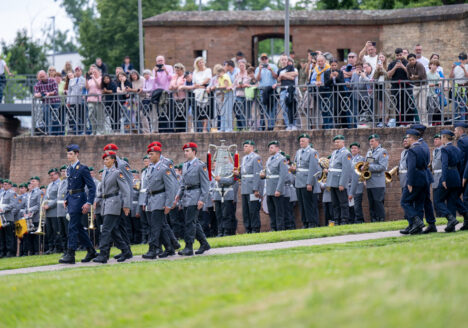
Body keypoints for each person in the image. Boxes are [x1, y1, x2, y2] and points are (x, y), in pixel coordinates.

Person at [59, 144, 97, 264]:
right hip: (71, 199)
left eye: (71, 154)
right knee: (78, 228)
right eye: (68, 154)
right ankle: (91, 251)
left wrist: (89, 202)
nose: (68, 156)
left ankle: (71, 254)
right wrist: (66, 198)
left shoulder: (82, 168)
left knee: (72, 227)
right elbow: (69, 186)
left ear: (77, 154)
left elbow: (92, 187)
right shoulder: (69, 168)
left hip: (79, 199)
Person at [92, 152, 132, 263]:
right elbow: (102, 190)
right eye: (104, 159)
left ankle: (103, 254)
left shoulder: (117, 173)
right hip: (106, 203)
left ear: (114, 160)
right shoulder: (105, 172)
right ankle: (125, 251)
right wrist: (97, 200)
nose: (105, 161)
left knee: (105, 229)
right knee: (113, 230)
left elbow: (126, 190)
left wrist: (126, 205)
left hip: (114, 203)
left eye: (108, 159)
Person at [140, 145, 178, 259]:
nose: (149, 156)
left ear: (158, 154)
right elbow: (148, 187)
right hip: (152, 200)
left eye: (151, 154)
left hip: (160, 200)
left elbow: (170, 188)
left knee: (155, 227)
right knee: (160, 226)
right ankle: (170, 248)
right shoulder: (150, 168)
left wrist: (168, 204)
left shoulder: (163, 168)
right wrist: (145, 201)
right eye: (149, 154)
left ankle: (153, 249)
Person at [174, 142, 211, 256]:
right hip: (186, 196)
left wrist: (202, 199)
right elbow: (183, 183)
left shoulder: (200, 165)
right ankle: (204, 243)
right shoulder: (185, 165)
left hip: (195, 195)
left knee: (190, 222)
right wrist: (178, 194)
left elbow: (205, 184)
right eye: (184, 151)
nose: (185, 153)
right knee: (193, 222)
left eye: (188, 151)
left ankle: (189, 246)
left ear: (194, 152)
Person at [401, 129, 430, 235]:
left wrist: (410, 183)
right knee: (419, 203)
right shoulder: (423, 147)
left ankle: (416, 221)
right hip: (424, 178)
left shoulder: (412, 150)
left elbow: (411, 168)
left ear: (412, 138)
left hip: (415, 179)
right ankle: (418, 228)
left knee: (404, 202)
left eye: (407, 137)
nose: (406, 139)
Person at [291, 134, 321, 228]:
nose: (301, 143)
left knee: (309, 203)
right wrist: (293, 169)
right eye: (300, 141)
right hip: (299, 181)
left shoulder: (312, 152)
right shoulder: (298, 152)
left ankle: (312, 222)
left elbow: (313, 168)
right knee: (302, 204)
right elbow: (296, 164)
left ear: (308, 141)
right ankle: (305, 222)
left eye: (303, 141)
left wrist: (310, 182)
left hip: (307, 181)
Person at [233, 140, 262, 233]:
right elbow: (244, 173)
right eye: (244, 146)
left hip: (252, 187)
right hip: (245, 188)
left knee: (253, 209)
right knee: (245, 210)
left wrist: (256, 188)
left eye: (246, 146)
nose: (244, 148)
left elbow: (257, 174)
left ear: (251, 147)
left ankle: (255, 228)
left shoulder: (256, 157)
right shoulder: (244, 158)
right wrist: (238, 173)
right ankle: (248, 228)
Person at [260, 140, 288, 231]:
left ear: (277, 148)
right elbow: (268, 173)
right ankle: (273, 227)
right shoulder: (269, 159)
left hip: (276, 189)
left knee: (279, 211)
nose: (269, 149)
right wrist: (263, 175)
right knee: (271, 211)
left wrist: (279, 189)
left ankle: (280, 228)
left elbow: (283, 175)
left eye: (271, 147)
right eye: (269, 148)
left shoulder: (281, 159)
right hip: (269, 189)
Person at [326, 135, 352, 225]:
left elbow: (346, 170)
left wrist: (342, 183)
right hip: (332, 181)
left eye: (338, 142)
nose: (336, 144)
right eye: (335, 142)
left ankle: (344, 219)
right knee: (335, 203)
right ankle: (337, 220)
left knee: (343, 203)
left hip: (340, 181)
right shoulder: (334, 153)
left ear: (343, 142)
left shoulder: (346, 153)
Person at [364, 134, 388, 222]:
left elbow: (382, 166)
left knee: (378, 202)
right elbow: (368, 163)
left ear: (377, 141)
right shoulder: (369, 152)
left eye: (372, 141)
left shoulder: (382, 151)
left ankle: (381, 219)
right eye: (370, 141)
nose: (371, 143)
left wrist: (368, 167)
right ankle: (373, 219)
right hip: (370, 182)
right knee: (372, 203)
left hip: (378, 182)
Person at [387, 48, 412, 125]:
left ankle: (408, 122)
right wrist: (395, 67)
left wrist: (403, 67)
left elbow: (410, 74)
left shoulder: (407, 63)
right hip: (395, 87)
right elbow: (388, 75)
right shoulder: (392, 64)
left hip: (406, 87)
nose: (399, 57)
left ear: (403, 54)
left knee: (407, 105)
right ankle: (398, 123)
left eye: (400, 55)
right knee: (397, 105)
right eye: (397, 55)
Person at [255, 53, 278, 130]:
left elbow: (276, 77)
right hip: (263, 91)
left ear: (268, 59)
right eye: (263, 59)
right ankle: (263, 126)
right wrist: (260, 70)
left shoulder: (273, 66)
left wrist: (271, 70)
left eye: (265, 58)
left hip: (272, 90)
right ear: (261, 60)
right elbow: (257, 79)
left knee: (272, 108)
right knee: (264, 109)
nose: (264, 60)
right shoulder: (258, 68)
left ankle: (271, 126)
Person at [33, 70, 60, 135]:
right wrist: (38, 95)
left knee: (56, 118)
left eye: (43, 76)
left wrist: (49, 94)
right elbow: (35, 93)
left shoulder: (53, 81)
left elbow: (56, 91)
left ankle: (57, 133)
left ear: (46, 75)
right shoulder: (38, 83)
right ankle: (48, 132)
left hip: (55, 102)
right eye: (40, 77)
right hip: (46, 103)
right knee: (46, 117)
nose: (42, 78)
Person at [276, 55, 299, 130]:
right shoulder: (279, 70)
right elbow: (279, 79)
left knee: (292, 107)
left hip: (291, 89)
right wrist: (284, 76)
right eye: (282, 59)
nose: (283, 61)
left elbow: (294, 75)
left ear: (287, 60)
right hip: (283, 90)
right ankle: (288, 124)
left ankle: (294, 124)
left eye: (285, 59)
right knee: (284, 108)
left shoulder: (290, 67)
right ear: (280, 61)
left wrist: (283, 75)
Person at [309, 55, 331, 129]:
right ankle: (325, 125)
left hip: (328, 90)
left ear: (324, 61)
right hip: (319, 91)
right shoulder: (315, 69)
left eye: (322, 61)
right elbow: (311, 81)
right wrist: (316, 83)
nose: (320, 62)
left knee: (329, 108)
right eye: (319, 61)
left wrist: (323, 83)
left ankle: (329, 125)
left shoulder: (328, 68)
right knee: (322, 109)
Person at [324, 59, 346, 128]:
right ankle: (333, 123)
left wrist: (337, 77)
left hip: (339, 93)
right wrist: (330, 78)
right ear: (330, 65)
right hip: (331, 93)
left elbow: (342, 82)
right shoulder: (327, 72)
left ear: (337, 65)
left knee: (340, 108)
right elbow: (326, 83)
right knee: (332, 108)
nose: (334, 67)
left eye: (335, 65)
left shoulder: (340, 72)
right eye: (332, 65)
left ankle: (341, 123)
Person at [192, 57, 212, 132]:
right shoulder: (195, 72)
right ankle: (199, 128)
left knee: (205, 110)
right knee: (198, 110)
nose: (201, 64)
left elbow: (207, 79)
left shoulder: (208, 70)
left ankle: (205, 128)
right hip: (197, 90)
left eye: (202, 62)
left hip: (205, 89)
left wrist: (200, 84)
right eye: (199, 62)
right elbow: (194, 82)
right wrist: (198, 86)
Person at [407, 53, 428, 125]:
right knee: (416, 105)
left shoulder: (419, 65)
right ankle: (420, 122)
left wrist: (414, 77)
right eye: (410, 60)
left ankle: (425, 122)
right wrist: (413, 77)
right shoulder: (408, 66)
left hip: (423, 85)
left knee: (422, 105)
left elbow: (421, 75)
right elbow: (408, 76)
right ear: (408, 61)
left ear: (415, 59)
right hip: (415, 86)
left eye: (413, 59)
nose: (412, 61)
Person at [43, 168, 60, 254]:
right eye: (50, 175)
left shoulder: (60, 184)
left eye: (53, 175)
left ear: (57, 174)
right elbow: (46, 196)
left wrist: (49, 205)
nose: (51, 177)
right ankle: (51, 247)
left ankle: (57, 247)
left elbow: (58, 197)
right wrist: (44, 204)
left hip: (55, 210)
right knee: (49, 231)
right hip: (48, 212)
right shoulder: (50, 185)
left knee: (55, 230)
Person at [349, 142, 366, 224]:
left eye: (355, 148)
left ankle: (359, 220)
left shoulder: (361, 158)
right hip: (349, 184)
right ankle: (352, 220)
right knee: (350, 205)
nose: (353, 150)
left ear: (358, 150)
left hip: (358, 184)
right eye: (352, 148)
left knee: (357, 204)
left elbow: (365, 170)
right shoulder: (348, 158)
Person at [67, 67, 86, 135]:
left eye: (79, 71)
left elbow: (85, 89)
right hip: (72, 100)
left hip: (80, 100)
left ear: (81, 72)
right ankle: (73, 129)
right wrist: (68, 101)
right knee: (73, 115)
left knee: (80, 115)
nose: (77, 72)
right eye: (76, 71)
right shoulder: (72, 80)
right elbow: (69, 91)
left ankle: (81, 129)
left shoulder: (84, 80)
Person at [398, 137, 412, 234]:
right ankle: (410, 224)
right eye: (404, 141)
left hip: (409, 181)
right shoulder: (403, 152)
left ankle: (413, 223)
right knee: (406, 203)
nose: (405, 142)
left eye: (406, 141)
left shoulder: (411, 152)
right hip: (403, 181)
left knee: (407, 202)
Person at [85, 66, 104, 135]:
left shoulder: (101, 78)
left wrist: (94, 78)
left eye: (95, 72)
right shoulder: (90, 80)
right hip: (90, 99)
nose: (94, 73)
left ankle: (100, 131)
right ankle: (94, 130)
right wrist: (86, 79)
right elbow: (87, 87)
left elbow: (99, 86)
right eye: (92, 72)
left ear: (99, 72)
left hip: (98, 99)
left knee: (99, 116)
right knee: (91, 115)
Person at [0, 180, 16, 257]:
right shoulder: (2, 193)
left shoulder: (12, 193)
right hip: (1, 218)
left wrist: (4, 209)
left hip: (8, 217)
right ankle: (3, 251)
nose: (4, 186)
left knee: (9, 235)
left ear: (10, 185)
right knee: (2, 235)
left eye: (6, 184)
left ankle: (10, 251)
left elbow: (13, 204)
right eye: (3, 184)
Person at [233, 59, 251, 130]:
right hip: (238, 95)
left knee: (246, 112)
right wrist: (238, 86)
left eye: (243, 65)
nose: (241, 67)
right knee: (238, 111)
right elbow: (233, 85)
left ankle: (244, 127)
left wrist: (246, 85)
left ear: (245, 65)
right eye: (240, 65)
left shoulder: (248, 73)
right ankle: (241, 127)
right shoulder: (237, 74)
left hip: (247, 95)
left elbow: (252, 82)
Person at [138, 155, 151, 244]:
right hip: (142, 197)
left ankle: (150, 238)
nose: (146, 162)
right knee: (143, 221)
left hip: (149, 197)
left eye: (147, 161)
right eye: (144, 161)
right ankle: (144, 239)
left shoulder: (151, 170)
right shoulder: (143, 172)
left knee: (149, 220)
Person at [56, 165, 68, 254]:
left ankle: (69, 248)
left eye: (65, 171)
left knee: (67, 231)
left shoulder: (69, 181)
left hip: (65, 209)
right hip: (59, 210)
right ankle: (64, 249)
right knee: (62, 231)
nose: (63, 173)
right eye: (62, 171)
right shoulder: (60, 182)